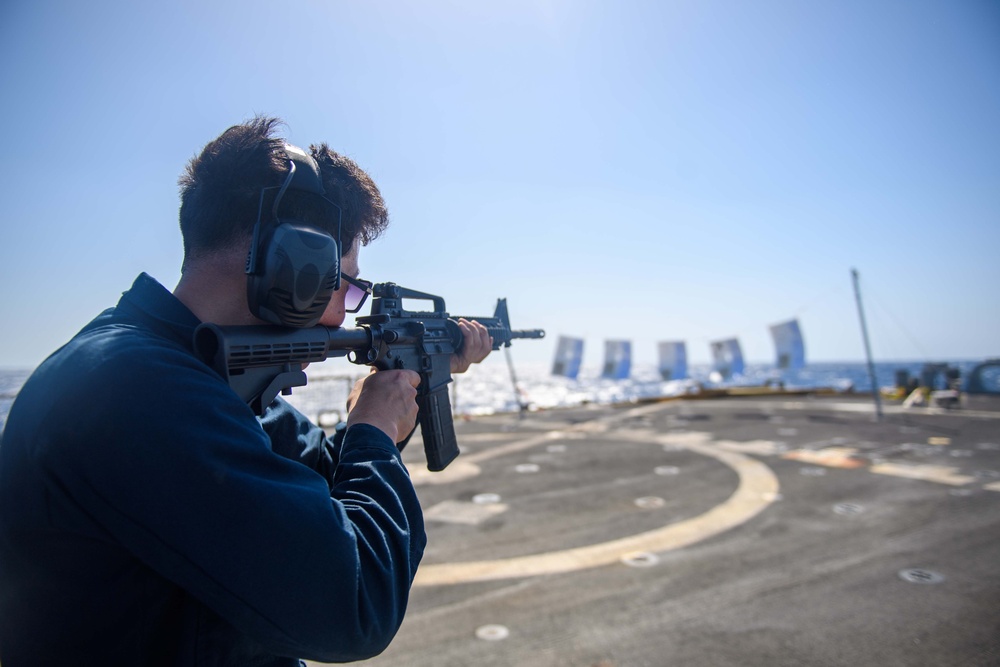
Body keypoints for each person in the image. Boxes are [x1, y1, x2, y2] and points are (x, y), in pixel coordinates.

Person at [0, 116, 492, 665]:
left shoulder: (186, 372)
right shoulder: (136, 390)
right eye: (347, 284)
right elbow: (354, 604)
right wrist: (374, 433)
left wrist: (384, 410)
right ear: (296, 266)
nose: (345, 313)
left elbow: (315, 483)